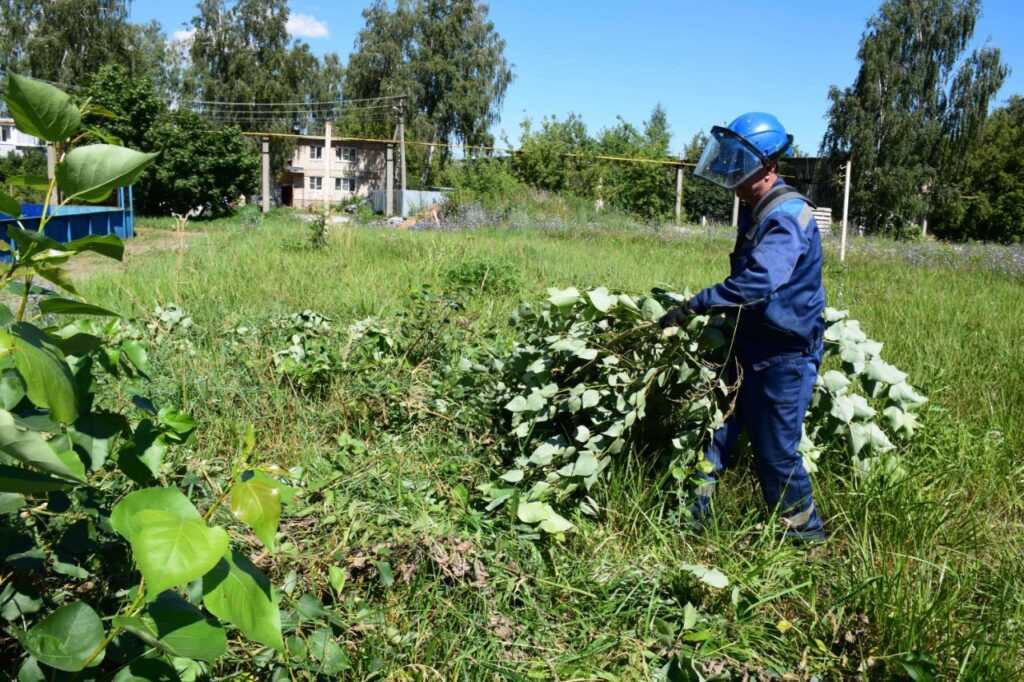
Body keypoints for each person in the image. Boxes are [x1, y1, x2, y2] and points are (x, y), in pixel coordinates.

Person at [658, 112, 826, 541]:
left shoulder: (787, 216)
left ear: (768, 167)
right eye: (729, 163)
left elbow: (761, 281)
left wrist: (697, 304)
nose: (732, 176)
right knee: (715, 429)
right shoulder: (755, 208)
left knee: (776, 453)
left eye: (741, 166)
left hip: (784, 354)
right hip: (747, 341)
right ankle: (693, 522)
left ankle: (805, 539)